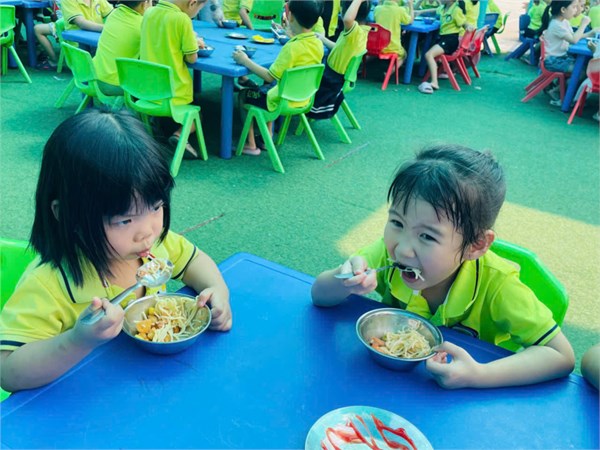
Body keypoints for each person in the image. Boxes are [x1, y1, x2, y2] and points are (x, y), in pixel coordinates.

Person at [0, 109, 232, 393]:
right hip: (79, 405)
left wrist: (216, 289)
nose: (147, 231)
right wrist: (77, 341)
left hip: (146, 388)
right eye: (125, 220)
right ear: (68, 216)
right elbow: (7, 371)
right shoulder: (50, 283)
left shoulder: (154, 247)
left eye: (156, 207)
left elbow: (195, 261)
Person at [311, 145, 575, 389]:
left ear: (476, 245)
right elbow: (319, 295)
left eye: (427, 236)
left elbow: (561, 355)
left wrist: (479, 375)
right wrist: (344, 279)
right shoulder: (385, 253)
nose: (402, 249)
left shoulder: (499, 286)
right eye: (397, 223)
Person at [232, 0, 324, 155]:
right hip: (303, 98)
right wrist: (290, 34)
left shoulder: (291, 47)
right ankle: (267, 136)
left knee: (243, 95)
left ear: (291, 16)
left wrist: (245, 61)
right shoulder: (317, 43)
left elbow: (270, 76)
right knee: (268, 88)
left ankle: (251, 144)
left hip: (281, 100)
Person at [139, 0, 208, 159]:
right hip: (173, 93)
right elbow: (192, 58)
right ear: (192, 3)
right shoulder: (182, 19)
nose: (196, 13)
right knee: (198, 115)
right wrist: (194, 43)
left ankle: (155, 125)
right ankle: (180, 135)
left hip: (147, 91)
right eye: (198, 10)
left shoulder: (149, 12)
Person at [307, 0, 370, 120]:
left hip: (330, 82)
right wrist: (323, 39)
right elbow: (339, 48)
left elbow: (347, 20)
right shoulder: (361, 32)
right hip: (336, 79)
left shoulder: (355, 31)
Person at [542, 0, 598, 105]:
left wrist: (591, 33)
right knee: (581, 72)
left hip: (560, 58)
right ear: (563, 9)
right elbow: (574, 40)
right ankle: (559, 93)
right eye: (574, 7)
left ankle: (563, 92)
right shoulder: (556, 25)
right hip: (553, 61)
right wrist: (583, 24)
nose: (576, 10)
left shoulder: (564, 22)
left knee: (584, 67)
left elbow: (574, 36)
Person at [93, 0, 153, 96]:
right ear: (145, 4)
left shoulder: (114, 14)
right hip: (117, 85)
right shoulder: (143, 24)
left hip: (96, 78)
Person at [418, 0, 473, 93]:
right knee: (428, 49)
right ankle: (434, 75)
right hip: (444, 39)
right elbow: (434, 10)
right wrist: (419, 12)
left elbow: (464, 23)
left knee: (429, 54)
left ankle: (434, 82)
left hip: (450, 40)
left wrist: (469, 26)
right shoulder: (443, 8)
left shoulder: (456, 10)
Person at [373, 0, 414, 69]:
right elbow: (410, 21)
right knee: (404, 55)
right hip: (392, 47)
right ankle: (389, 72)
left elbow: (374, 18)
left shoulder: (377, 9)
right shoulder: (400, 10)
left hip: (376, 46)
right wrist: (411, 5)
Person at [33, 0, 62, 71]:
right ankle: (41, 50)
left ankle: (53, 61)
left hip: (64, 26)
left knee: (38, 29)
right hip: (67, 23)